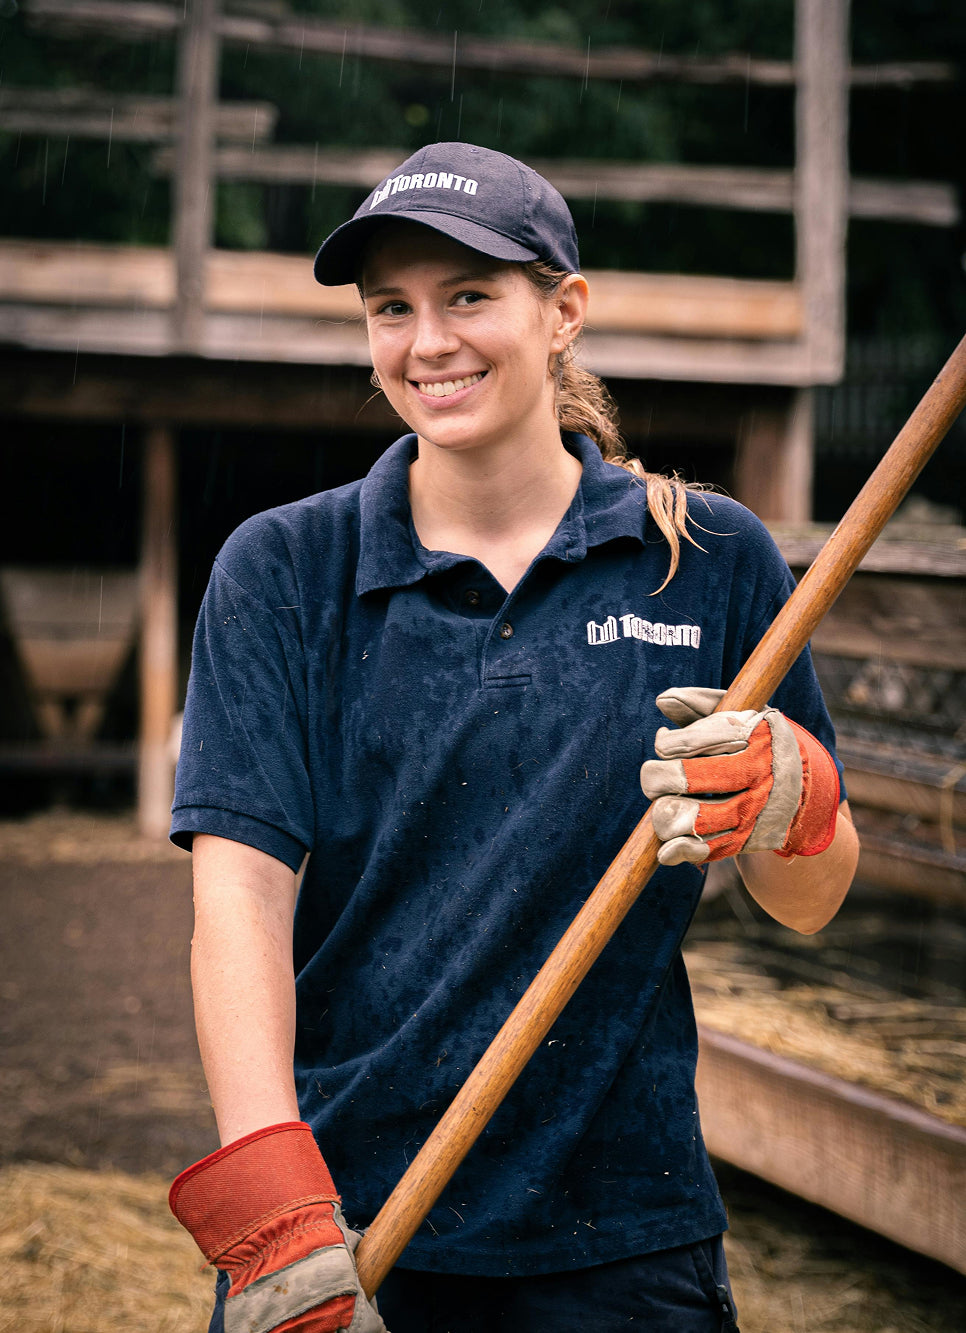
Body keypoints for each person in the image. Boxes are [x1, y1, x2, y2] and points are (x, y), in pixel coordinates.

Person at [168, 142, 859, 1333]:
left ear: (564, 312)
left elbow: (813, 902)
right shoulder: (284, 571)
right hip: (349, 1225)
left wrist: (796, 797)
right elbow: (240, 908)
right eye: (394, 307)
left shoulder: (704, 557)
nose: (428, 341)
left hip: (621, 1238)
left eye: (470, 295)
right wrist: (276, 1210)